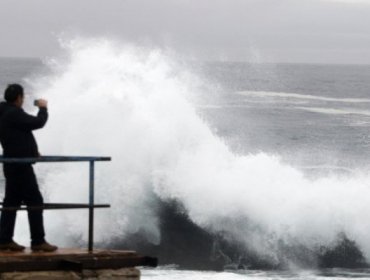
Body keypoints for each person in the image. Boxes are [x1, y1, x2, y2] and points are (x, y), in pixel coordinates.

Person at [0, 84, 57, 252]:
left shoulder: (3, 112)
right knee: (35, 202)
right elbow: (38, 122)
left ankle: (4, 240)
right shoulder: (13, 113)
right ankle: (38, 241)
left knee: (11, 203)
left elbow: (18, 134)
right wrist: (43, 108)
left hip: (11, 163)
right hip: (21, 166)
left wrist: (31, 150)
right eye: (22, 97)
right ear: (18, 97)